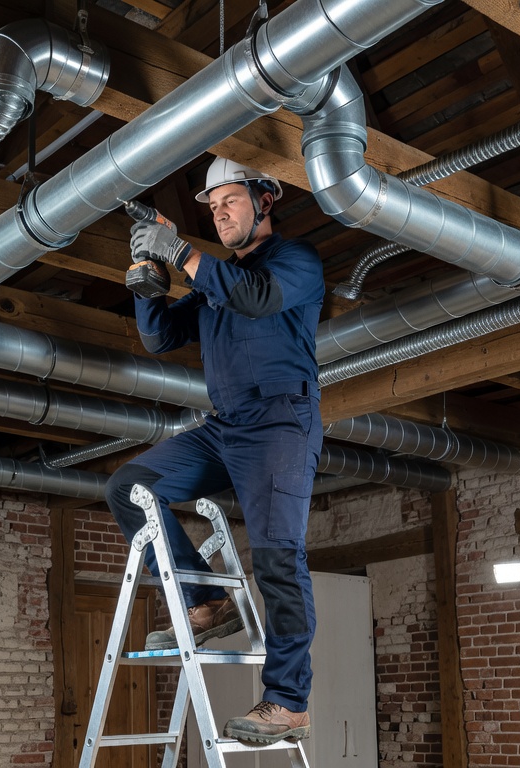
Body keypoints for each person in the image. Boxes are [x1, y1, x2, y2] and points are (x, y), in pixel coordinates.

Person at [105, 157, 324, 745]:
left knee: (278, 559)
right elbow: (159, 339)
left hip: (281, 421)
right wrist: (148, 279)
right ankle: (206, 603)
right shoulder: (212, 286)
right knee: (130, 487)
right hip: (226, 427)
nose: (221, 212)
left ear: (264, 202)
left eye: (230, 200)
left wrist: (178, 251)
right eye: (214, 205)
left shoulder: (294, 262)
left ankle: (288, 702)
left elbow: (254, 298)